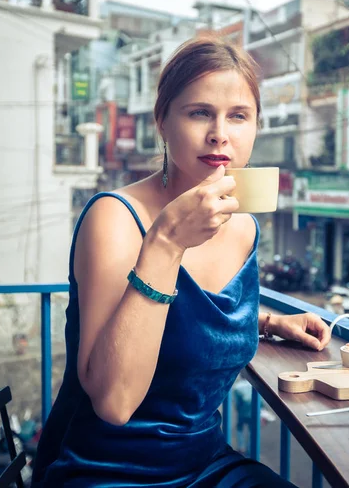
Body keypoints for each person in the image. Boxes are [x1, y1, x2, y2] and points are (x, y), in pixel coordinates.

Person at [31, 37, 331, 487]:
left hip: (206, 464)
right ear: (162, 122)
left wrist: (266, 322)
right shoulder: (114, 217)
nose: (220, 133)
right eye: (198, 112)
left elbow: (189, 319)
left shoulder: (244, 227)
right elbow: (114, 402)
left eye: (238, 116)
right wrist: (167, 243)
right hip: (105, 471)